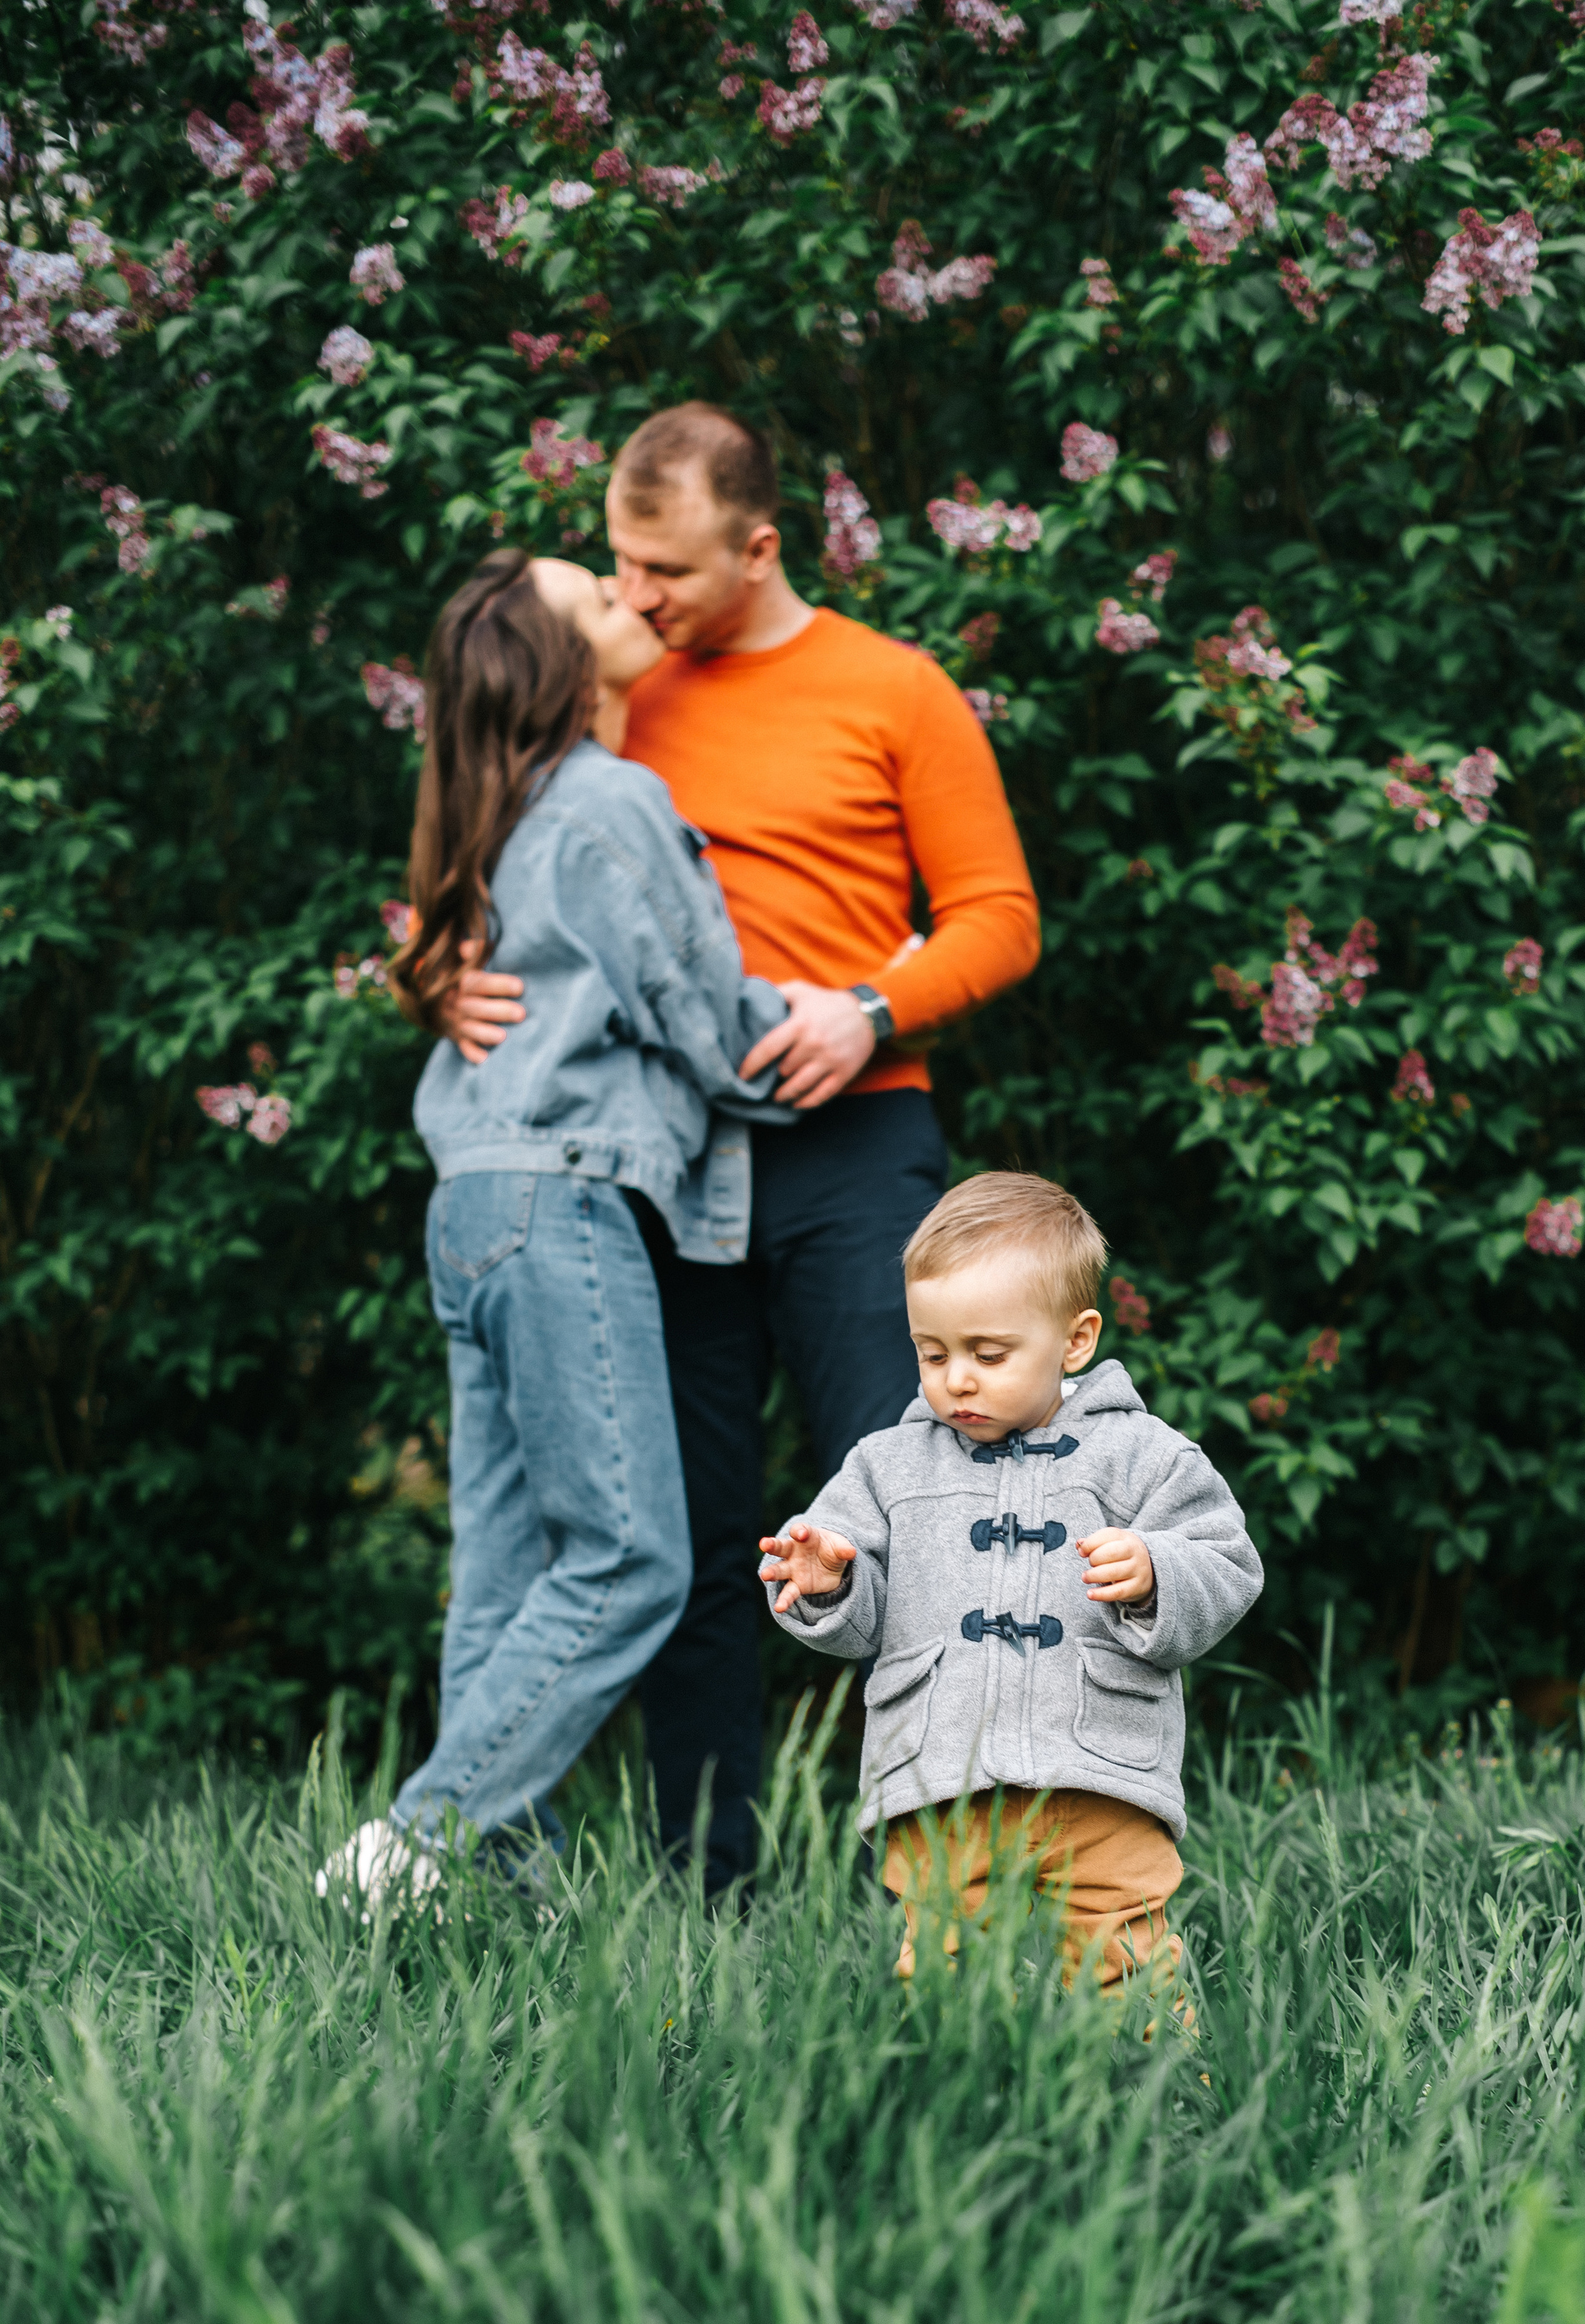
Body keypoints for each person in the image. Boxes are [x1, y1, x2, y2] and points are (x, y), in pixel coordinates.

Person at [443, 404, 1042, 1893]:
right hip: (659, 1163)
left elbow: (1000, 917)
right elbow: (492, 849)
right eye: (617, 565)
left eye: (665, 570)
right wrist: (437, 966)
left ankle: (929, 1866)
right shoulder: (611, 693)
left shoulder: (894, 690)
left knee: (903, 1502)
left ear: (759, 545)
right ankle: (705, 1883)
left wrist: (868, 1009)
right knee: (696, 1539)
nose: (633, 596)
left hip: (857, 1146)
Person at [316, 550, 792, 1909]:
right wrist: (839, 1020)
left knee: (506, 1572)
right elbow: (704, 1012)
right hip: (561, 1200)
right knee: (632, 1557)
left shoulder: (499, 811)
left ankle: (487, 1901)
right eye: (600, 599)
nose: (631, 604)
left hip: (471, 1206)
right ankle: (414, 1842)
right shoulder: (608, 803)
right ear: (562, 666)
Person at [758, 1172, 1263, 1982]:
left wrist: (1156, 1574)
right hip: (942, 1776)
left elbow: (1229, 1563)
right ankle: (952, 2093)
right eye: (933, 1352)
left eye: (988, 1354)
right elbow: (861, 1619)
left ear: (1076, 1339)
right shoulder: (887, 1466)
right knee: (943, 1961)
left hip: (1099, 1771)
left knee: (1122, 1956)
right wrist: (828, 1586)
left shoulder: (1143, 1456)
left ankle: (1153, 2095)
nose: (957, 1376)